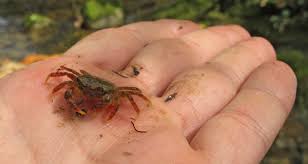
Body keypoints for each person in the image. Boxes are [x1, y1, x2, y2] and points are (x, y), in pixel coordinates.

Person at [0, 19, 296, 164]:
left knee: (125, 93)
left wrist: (114, 109)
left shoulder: (113, 95)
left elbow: (124, 96)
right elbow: (65, 77)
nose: (81, 89)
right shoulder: (78, 80)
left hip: (111, 91)